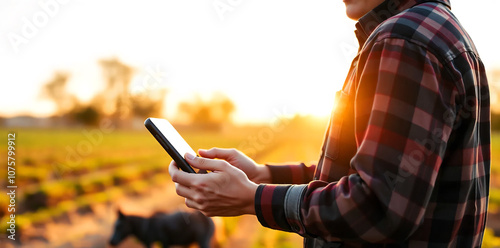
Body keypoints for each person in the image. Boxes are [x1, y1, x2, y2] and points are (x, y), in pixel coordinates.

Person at [168, 0, 490, 246]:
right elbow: (368, 173)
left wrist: (253, 198)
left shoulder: (402, 40)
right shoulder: (441, 31)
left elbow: (377, 205)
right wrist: (263, 174)